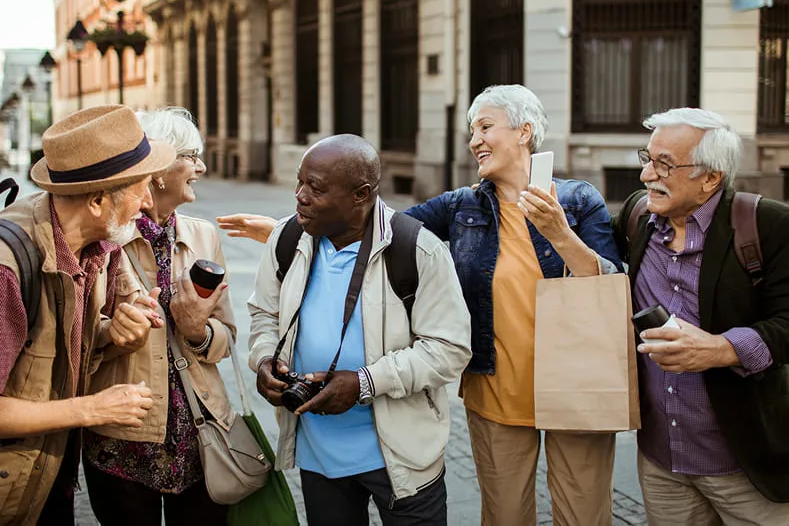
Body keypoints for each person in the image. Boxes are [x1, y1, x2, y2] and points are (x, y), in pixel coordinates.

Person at [225, 85, 624, 526]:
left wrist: (559, 234)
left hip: (574, 384)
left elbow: (609, 288)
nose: (475, 140)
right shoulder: (463, 206)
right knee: (506, 516)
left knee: (584, 514)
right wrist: (292, 227)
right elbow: (376, 224)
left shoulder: (577, 201)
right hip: (496, 391)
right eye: (472, 130)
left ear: (525, 132)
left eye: (486, 127)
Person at [250, 134, 471, 526]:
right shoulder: (286, 238)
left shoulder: (419, 249)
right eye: (299, 183)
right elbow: (264, 315)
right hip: (320, 458)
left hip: (403, 460)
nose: (299, 196)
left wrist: (365, 383)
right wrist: (265, 359)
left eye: (314, 187)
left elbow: (449, 348)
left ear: (361, 194)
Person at [612, 108, 789, 526]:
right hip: (662, 462)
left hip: (746, 465)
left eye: (664, 165)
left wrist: (721, 349)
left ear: (711, 177)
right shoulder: (638, 217)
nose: (645, 176)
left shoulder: (769, 224)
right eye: (647, 158)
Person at [0, 105, 175, 525]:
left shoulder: (100, 249)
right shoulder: (7, 269)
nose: (149, 202)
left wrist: (114, 333)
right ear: (97, 201)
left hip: (46, 479)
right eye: (141, 188)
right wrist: (93, 409)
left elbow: (52, 353)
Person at [82, 107, 235, 526]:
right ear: (159, 166)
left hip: (199, 434)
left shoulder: (203, 234)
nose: (201, 166)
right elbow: (75, 342)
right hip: (124, 437)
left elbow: (227, 338)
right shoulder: (102, 239)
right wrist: (113, 333)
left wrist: (199, 331)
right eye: (192, 155)